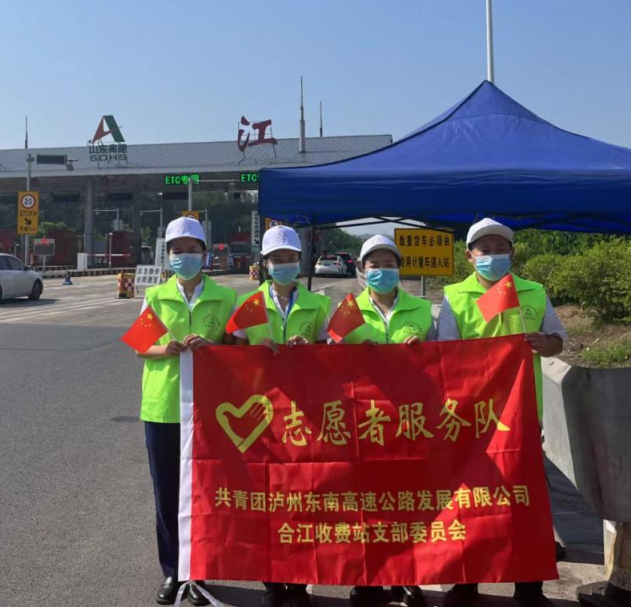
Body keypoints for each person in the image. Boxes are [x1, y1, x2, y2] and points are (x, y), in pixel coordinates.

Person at [437, 218, 566, 607]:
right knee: (471, 501)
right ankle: (465, 583)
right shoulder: (454, 296)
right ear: (469, 256)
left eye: (500, 250)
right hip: (471, 415)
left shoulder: (533, 292)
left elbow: (558, 341)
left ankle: (529, 585)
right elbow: (446, 354)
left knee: (524, 501)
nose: (492, 257)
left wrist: (544, 343)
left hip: (522, 414)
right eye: (485, 251)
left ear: (512, 253)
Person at [136, 216, 237, 606]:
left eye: (192, 250)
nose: (185, 257)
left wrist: (213, 349)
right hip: (163, 406)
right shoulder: (156, 296)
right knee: (167, 493)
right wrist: (166, 348)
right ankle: (173, 572)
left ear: (205, 255)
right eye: (177, 251)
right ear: (168, 256)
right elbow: (140, 345)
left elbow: (240, 348)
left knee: (205, 492)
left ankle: (201, 572)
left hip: (210, 410)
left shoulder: (226, 298)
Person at [230, 225, 331, 607]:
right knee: (266, 500)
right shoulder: (249, 304)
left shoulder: (318, 304)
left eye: (290, 258)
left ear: (300, 261)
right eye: (277, 259)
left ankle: (299, 582)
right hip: (262, 415)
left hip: (303, 414)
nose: (284, 264)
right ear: (265, 263)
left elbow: (332, 355)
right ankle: (271, 581)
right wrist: (256, 353)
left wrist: (310, 350)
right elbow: (231, 356)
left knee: (303, 498)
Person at [339, 234, 431, 607]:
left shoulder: (422, 310)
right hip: (364, 420)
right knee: (366, 502)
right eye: (374, 265)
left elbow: (446, 361)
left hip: (410, 420)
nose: (381, 270)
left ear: (399, 269)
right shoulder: (347, 310)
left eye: (389, 264)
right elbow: (326, 361)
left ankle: (407, 578)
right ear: (363, 270)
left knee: (408, 501)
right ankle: (368, 580)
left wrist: (422, 352)